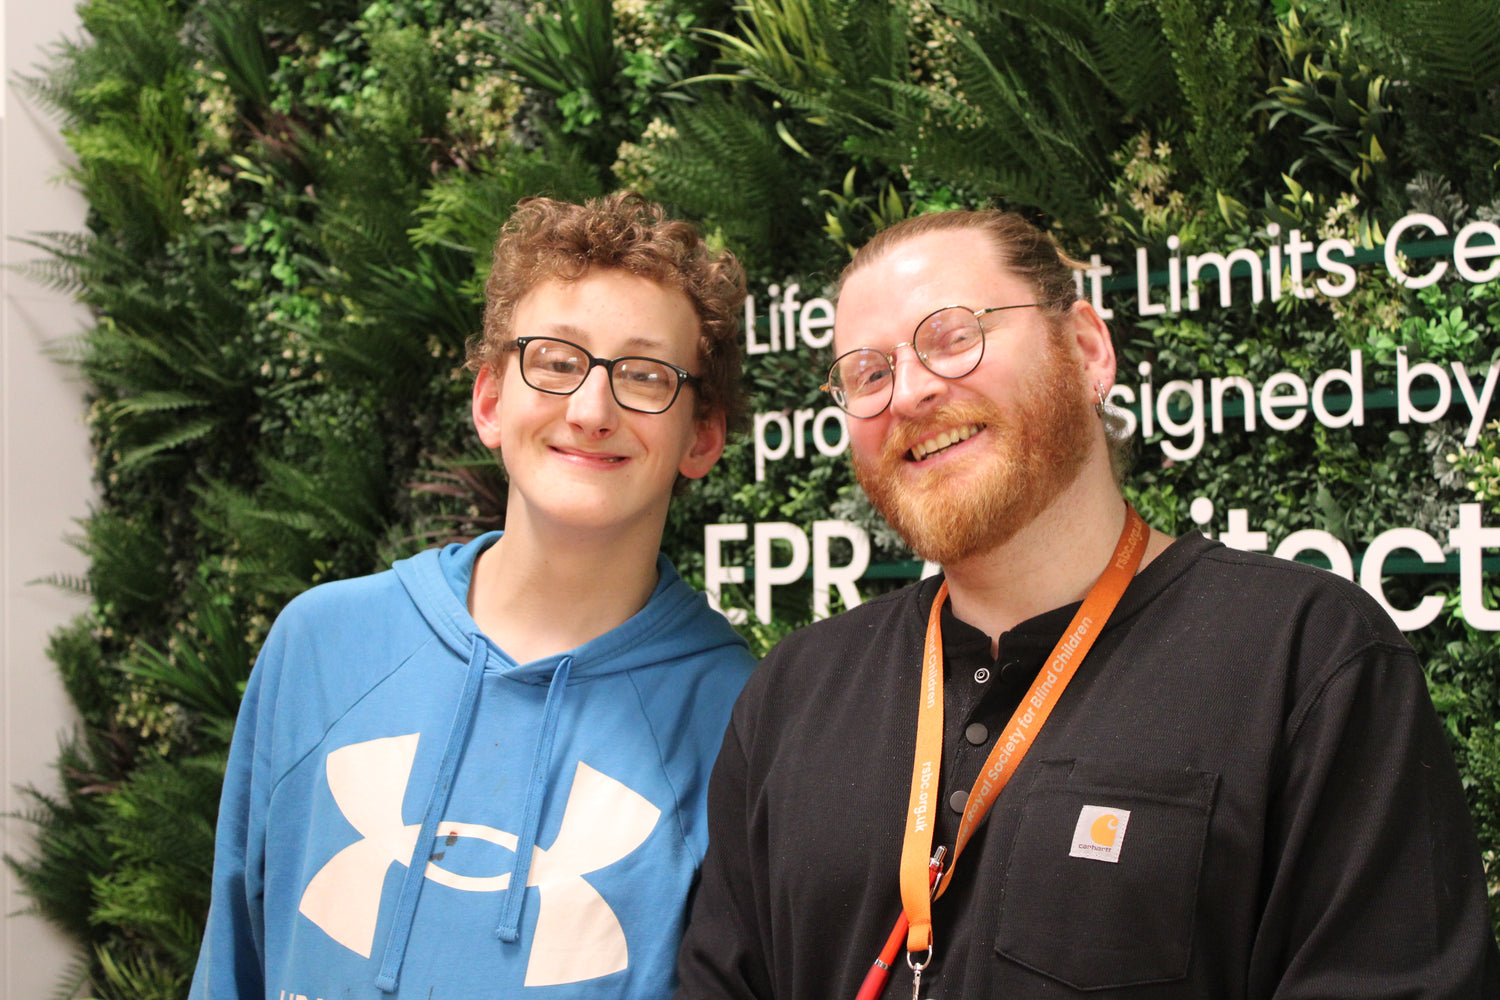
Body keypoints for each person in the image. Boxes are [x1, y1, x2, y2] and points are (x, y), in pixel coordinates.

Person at [674, 209, 1500, 999]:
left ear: (1086, 348)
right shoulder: (793, 695)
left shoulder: (1308, 659)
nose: (911, 392)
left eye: (954, 337)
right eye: (869, 373)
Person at [191, 191, 755, 999]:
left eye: (643, 374)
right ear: (490, 399)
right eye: (557, 361)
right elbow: (233, 966)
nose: (592, 409)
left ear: (702, 435)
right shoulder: (320, 645)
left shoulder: (739, 719)